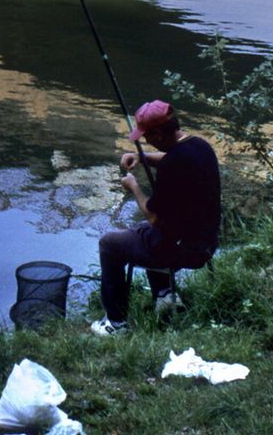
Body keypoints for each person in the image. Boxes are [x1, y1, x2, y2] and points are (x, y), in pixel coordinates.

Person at [91, 99, 220, 336]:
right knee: (142, 231)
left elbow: (155, 218)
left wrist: (134, 186)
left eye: (146, 137)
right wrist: (142, 157)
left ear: (158, 134)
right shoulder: (200, 146)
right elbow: (171, 158)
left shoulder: (172, 166)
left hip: (185, 251)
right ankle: (165, 295)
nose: (145, 142)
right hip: (207, 242)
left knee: (109, 244)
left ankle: (115, 323)